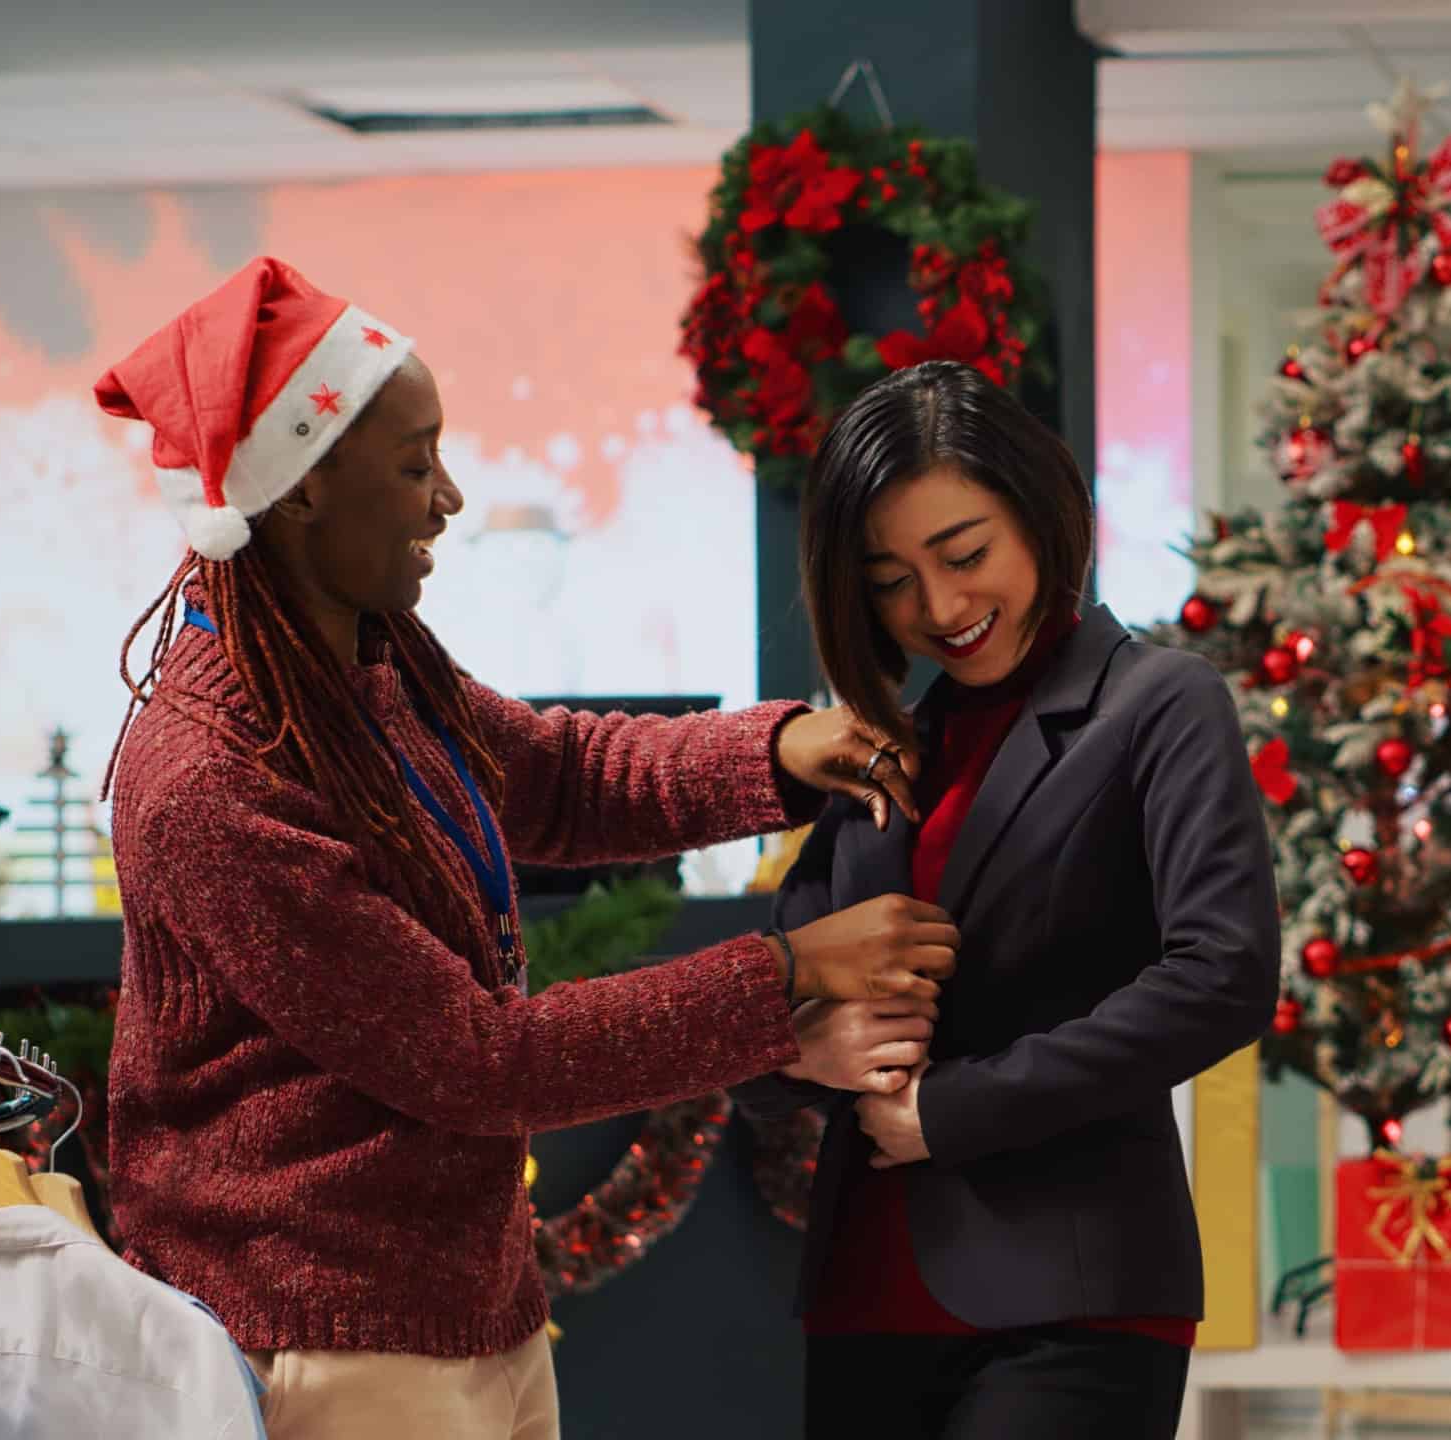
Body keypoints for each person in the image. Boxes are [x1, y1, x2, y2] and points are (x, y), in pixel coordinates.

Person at [92, 256, 959, 1440]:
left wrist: (780, 751)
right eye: (414, 465)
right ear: (299, 491)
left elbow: (552, 774)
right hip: (333, 1353)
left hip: (465, 1317)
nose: (446, 499)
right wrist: (791, 970)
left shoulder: (367, 661)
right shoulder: (211, 777)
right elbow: (476, 1060)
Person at [738, 359, 1281, 1440]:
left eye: (964, 554)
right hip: (861, 1295)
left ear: (1039, 512)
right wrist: (802, 1049)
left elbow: (1223, 975)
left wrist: (955, 1108)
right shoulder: (882, 749)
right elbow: (781, 992)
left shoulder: (1159, 703)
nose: (939, 608)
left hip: (1073, 1294)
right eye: (890, 580)